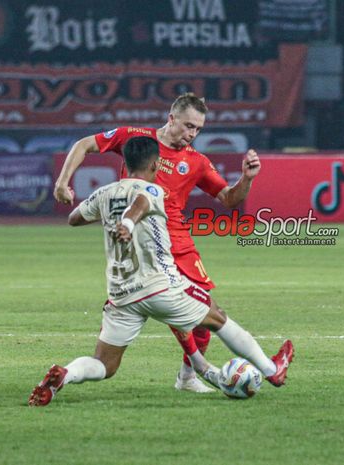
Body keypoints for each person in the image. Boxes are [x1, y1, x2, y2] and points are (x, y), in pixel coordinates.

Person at [28, 137, 294, 406]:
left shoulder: (104, 193)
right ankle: (272, 370)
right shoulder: (154, 191)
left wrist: (109, 211)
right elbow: (140, 204)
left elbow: (74, 218)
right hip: (160, 285)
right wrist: (129, 223)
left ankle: (66, 374)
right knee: (218, 318)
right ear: (156, 165)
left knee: (104, 365)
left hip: (122, 294)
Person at [53, 93, 261, 393]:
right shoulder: (136, 140)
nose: (192, 134)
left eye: (198, 129)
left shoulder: (196, 161)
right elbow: (84, 144)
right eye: (188, 125)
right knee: (193, 310)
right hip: (140, 244)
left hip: (177, 241)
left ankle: (188, 376)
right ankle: (224, 369)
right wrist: (62, 182)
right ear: (171, 117)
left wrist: (247, 179)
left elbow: (229, 198)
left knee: (204, 315)